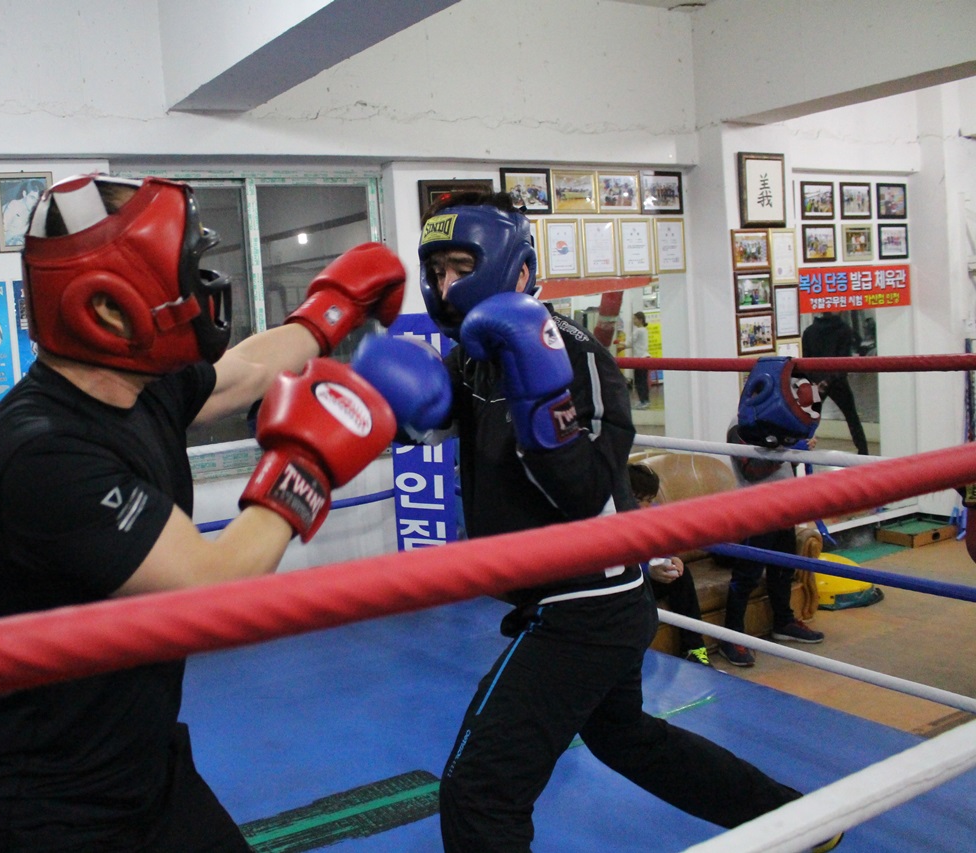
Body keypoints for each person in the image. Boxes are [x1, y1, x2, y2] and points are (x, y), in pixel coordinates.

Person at [351, 191, 840, 853]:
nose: (446, 286)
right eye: (436, 271)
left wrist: (539, 409)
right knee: (627, 738)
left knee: (480, 786)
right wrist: (379, 386)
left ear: (514, 269)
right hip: (560, 596)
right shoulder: (471, 358)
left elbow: (583, 490)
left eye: (459, 266)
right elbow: (423, 424)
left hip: (587, 603)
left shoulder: (577, 355)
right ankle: (795, 821)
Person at [0, 173, 405, 852]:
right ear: (108, 307)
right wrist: (304, 468)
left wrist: (334, 309)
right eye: (182, 272)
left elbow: (249, 370)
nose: (199, 290)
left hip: (143, 768)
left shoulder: (139, 388)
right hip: (46, 806)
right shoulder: (42, 453)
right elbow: (214, 585)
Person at [720, 358, 828, 667]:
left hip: (783, 506)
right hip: (755, 511)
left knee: (784, 568)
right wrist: (786, 448)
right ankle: (732, 638)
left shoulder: (783, 423)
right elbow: (751, 470)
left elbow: (785, 463)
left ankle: (783, 622)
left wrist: (798, 444)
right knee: (747, 576)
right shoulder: (739, 426)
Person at [628, 462, 710, 666]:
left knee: (682, 575)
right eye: (639, 500)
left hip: (645, 580)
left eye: (649, 500)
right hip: (627, 584)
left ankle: (695, 648)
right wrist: (648, 571)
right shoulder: (611, 518)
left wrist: (672, 560)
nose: (645, 507)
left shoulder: (652, 514)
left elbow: (663, 547)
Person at [801, 312, 869, 455]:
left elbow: (805, 362)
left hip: (817, 382)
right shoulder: (844, 330)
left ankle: (801, 450)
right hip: (837, 381)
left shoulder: (809, 332)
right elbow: (844, 360)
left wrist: (814, 381)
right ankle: (864, 453)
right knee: (852, 418)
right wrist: (830, 379)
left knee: (807, 419)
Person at [618, 311, 651, 409]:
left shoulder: (638, 331)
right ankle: (644, 400)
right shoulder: (644, 330)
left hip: (640, 359)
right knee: (643, 381)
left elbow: (629, 343)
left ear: (640, 320)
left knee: (640, 382)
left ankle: (644, 401)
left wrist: (618, 343)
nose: (633, 320)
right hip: (644, 357)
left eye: (635, 318)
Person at [1, 179, 44, 246]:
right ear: (24, 194)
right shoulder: (13, 206)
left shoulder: (39, 211)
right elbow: (1, 236)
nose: (35, 203)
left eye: (38, 199)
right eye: (32, 198)